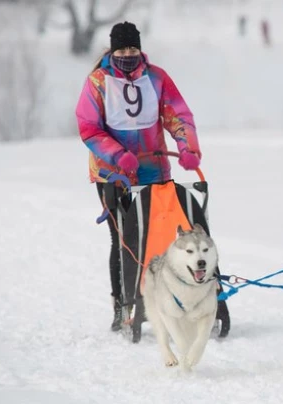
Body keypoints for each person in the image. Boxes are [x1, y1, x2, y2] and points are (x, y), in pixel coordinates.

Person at [75, 21, 229, 336]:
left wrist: (188, 148)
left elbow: (178, 114)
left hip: (155, 168)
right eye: (122, 49)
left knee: (169, 237)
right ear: (113, 50)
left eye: (133, 48)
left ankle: (183, 301)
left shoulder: (155, 77)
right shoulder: (98, 83)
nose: (128, 54)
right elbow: (89, 128)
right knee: (125, 239)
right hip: (113, 173)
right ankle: (124, 304)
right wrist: (118, 156)